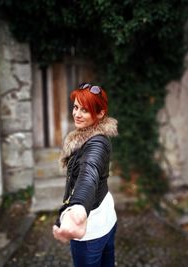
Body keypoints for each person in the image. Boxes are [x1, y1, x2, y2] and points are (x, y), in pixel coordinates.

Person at [52, 83, 118, 267]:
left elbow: (90, 172)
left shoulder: (97, 144)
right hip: (107, 218)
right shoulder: (87, 137)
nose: (77, 114)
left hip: (90, 231)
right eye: (75, 107)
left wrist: (79, 207)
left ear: (100, 114)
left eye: (85, 110)